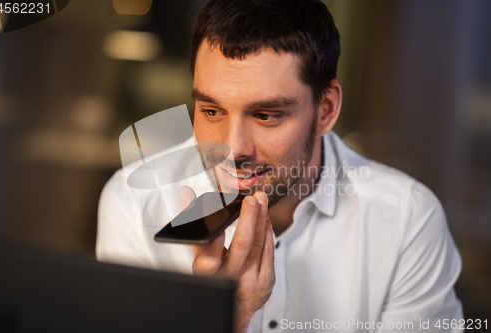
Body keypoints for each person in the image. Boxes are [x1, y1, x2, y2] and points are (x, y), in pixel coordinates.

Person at [96, 0, 463, 332]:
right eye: (211, 111)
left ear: (326, 109)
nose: (233, 148)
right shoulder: (133, 201)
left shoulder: (406, 220)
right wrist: (226, 315)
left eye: (266, 115)